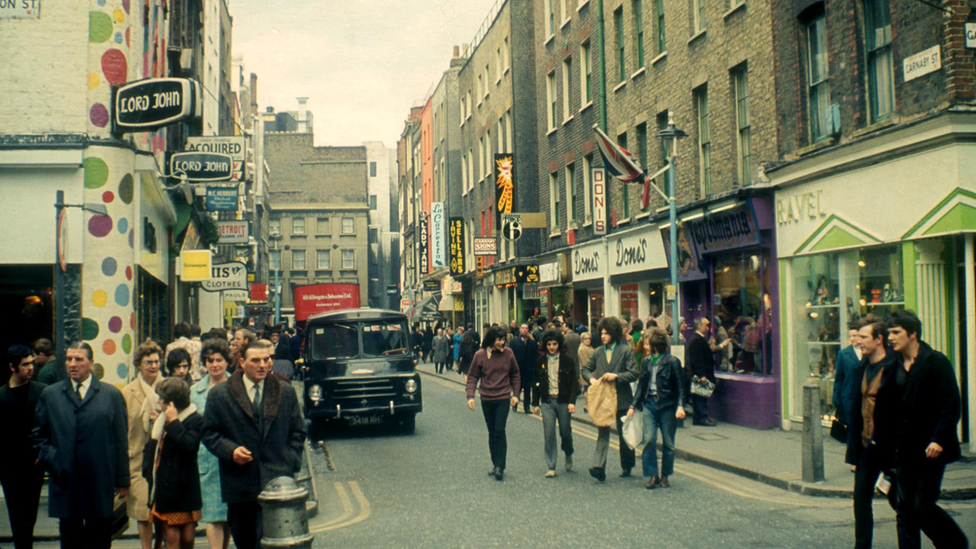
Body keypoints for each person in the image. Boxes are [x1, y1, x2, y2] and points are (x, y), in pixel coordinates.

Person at [876, 310, 967, 549]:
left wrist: (939, 438)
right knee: (904, 508)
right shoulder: (892, 364)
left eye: (896, 332)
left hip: (930, 450)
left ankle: (954, 542)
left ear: (913, 333)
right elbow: (885, 408)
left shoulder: (935, 361)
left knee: (921, 505)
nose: (891, 337)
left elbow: (951, 404)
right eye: (889, 333)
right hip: (902, 450)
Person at [202, 340, 306, 549]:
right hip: (240, 487)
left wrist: (290, 461)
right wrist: (230, 451)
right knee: (247, 542)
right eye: (255, 360)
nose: (263, 365)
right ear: (242, 362)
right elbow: (209, 433)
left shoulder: (285, 392)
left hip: (278, 483)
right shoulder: (220, 395)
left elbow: (298, 432)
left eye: (267, 360)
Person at [32, 342, 129, 549]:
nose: (72, 364)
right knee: (70, 541)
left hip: (100, 480)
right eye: (69, 359)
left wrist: (123, 480)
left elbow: (120, 440)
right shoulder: (51, 395)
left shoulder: (110, 395)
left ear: (91, 363)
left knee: (100, 541)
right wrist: (53, 459)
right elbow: (39, 435)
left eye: (79, 359)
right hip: (66, 480)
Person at [845, 316, 894, 549]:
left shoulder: (895, 368)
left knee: (903, 503)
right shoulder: (861, 368)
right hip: (866, 447)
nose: (859, 342)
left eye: (864, 337)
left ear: (879, 340)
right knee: (861, 499)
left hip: (890, 448)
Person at [143, 378, 203, 549]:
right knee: (171, 536)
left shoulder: (196, 420)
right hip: (165, 487)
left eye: (161, 398)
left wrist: (175, 422)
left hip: (186, 488)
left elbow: (189, 445)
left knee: (188, 537)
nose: (157, 401)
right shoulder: (160, 421)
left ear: (171, 403)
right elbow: (152, 449)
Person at [581, 316, 640, 481]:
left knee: (624, 434)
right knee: (603, 432)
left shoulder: (626, 350)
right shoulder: (598, 352)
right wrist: (592, 380)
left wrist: (617, 376)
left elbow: (634, 373)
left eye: (606, 333)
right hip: (603, 399)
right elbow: (585, 369)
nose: (603, 336)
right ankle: (599, 466)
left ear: (614, 334)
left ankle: (627, 466)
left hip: (622, 397)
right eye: (601, 333)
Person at [0, 345, 47, 549]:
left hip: (33, 465)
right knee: (16, 516)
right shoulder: (1, 396)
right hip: (9, 467)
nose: (31, 368)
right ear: (12, 367)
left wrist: (42, 454)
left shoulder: (41, 391)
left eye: (32, 363)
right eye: (25, 364)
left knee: (29, 518)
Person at [628, 329, 686, 489]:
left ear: (655, 347)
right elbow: (641, 386)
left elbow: (680, 387)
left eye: (648, 344)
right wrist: (633, 405)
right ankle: (653, 475)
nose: (646, 347)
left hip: (667, 406)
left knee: (668, 444)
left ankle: (665, 475)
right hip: (649, 405)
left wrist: (680, 406)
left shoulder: (672, 362)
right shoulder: (647, 362)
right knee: (649, 440)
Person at [122, 341, 166, 549]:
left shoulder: (169, 388)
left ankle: (159, 544)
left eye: (157, 361)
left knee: (162, 511)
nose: (153, 366)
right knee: (142, 512)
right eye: (148, 362)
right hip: (138, 459)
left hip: (163, 459)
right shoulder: (127, 392)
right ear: (139, 364)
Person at [191, 339, 232, 549]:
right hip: (207, 460)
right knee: (213, 517)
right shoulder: (194, 392)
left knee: (228, 517)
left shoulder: (238, 386)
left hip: (233, 459)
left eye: (219, 360)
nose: (214, 364)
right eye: (209, 360)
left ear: (227, 362)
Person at [465, 326, 521, 481]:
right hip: (486, 398)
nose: (502, 343)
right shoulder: (480, 355)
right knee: (491, 431)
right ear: (491, 340)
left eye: (503, 340)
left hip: (503, 397)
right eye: (499, 340)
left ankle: (500, 466)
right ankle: (495, 462)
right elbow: (472, 377)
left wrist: (516, 395)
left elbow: (515, 374)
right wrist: (470, 396)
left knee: (499, 429)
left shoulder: (509, 354)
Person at [531, 329, 579, 478]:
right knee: (549, 433)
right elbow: (535, 382)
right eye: (549, 344)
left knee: (565, 432)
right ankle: (551, 466)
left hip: (563, 401)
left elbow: (573, 383)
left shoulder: (567, 360)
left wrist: (572, 402)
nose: (552, 347)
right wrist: (535, 403)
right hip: (547, 401)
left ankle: (568, 452)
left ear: (559, 344)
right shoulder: (540, 361)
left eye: (554, 344)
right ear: (545, 345)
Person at [833, 320, 864, 436]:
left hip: (864, 397)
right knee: (852, 431)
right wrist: (836, 399)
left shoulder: (867, 352)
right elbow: (839, 378)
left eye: (855, 336)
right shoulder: (844, 354)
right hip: (849, 397)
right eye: (850, 336)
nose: (852, 339)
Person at [687, 317, 717, 426]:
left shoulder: (698, 339)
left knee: (699, 396)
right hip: (701, 373)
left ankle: (698, 418)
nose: (708, 328)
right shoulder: (696, 340)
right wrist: (702, 374)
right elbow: (697, 359)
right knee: (701, 396)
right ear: (699, 326)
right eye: (706, 325)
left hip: (700, 372)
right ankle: (702, 418)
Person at [508, 323, 539, 414]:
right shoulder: (514, 342)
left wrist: (534, 367)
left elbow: (535, 356)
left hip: (529, 370)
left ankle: (527, 407)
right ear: (520, 330)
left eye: (526, 328)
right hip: (517, 369)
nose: (524, 330)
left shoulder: (533, 343)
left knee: (527, 389)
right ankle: (515, 404)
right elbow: (511, 355)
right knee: (517, 388)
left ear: (528, 330)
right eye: (522, 328)